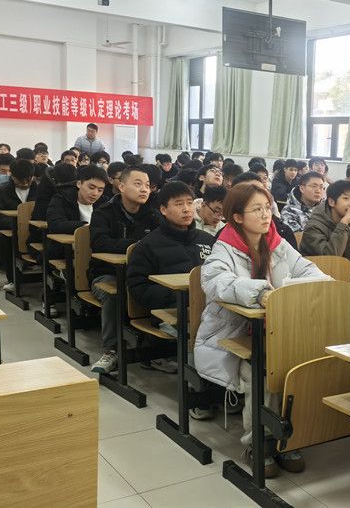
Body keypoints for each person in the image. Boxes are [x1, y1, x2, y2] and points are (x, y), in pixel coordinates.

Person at [196, 182, 326, 476]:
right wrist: (260, 293)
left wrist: (323, 286)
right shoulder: (224, 247)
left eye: (268, 207)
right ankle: (259, 442)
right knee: (262, 372)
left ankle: (289, 437)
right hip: (235, 333)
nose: (266, 215)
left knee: (301, 366)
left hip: (278, 329)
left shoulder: (277, 243)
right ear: (237, 217)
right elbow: (216, 281)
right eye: (257, 209)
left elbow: (307, 269)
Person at [89, 166, 161, 374]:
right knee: (115, 294)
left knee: (161, 292)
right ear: (121, 186)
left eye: (147, 185)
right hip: (106, 274)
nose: (144, 189)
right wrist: (137, 245)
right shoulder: (103, 212)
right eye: (138, 184)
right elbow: (99, 243)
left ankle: (154, 350)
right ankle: (111, 350)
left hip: (141, 274)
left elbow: (161, 242)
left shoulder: (153, 214)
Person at [127, 181, 215, 333]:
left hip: (209, 311)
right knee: (201, 336)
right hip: (171, 313)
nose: (186, 209)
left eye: (189, 203)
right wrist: (180, 296)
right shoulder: (148, 245)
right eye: (179, 204)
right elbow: (138, 288)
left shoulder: (207, 240)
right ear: (163, 210)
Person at [0, 159, 37, 291]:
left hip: (34, 228)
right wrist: (17, 225)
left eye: (28, 179)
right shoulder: (1, 190)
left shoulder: (39, 190)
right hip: (6, 228)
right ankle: (13, 278)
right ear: (12, 175)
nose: (25, 183)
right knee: (3, 240)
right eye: (20, 180)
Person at [300, 180, 350, 260]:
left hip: (348, 268)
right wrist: (343, 223)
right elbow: (330, 259)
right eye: (346, 198)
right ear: (331, 202)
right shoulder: (314, 226)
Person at [45, 165, 108, 259]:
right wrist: (84, 226)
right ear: (79, 184)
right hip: (66, 252)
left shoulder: (105, 203)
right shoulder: (61, 198)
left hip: (97, 251)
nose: (95, 193)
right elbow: (55, 225)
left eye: (100, 190)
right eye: (91, 187)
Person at [233, 172, 298, 250]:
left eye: (262, 190)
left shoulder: (282, 230)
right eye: (257, 209)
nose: (265, 215)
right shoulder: (225, 240)